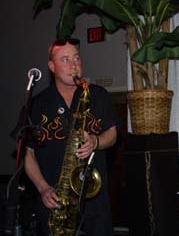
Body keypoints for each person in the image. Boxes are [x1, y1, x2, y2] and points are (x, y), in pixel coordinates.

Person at [24, 38, 120, 235]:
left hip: (96, 205)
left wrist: (95, 141)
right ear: (52, 66)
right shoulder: (36, 104)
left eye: (77, 58)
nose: (74, 65)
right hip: (56, 206)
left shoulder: (98, 95)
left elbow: (112, 134)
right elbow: (28, 154)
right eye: (65, 60)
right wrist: (43, 188)